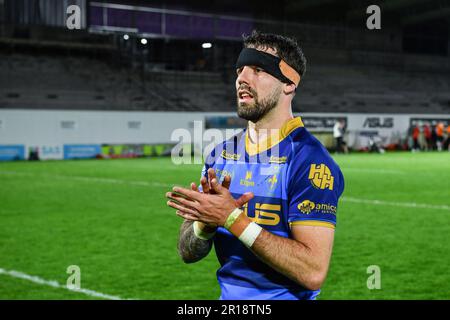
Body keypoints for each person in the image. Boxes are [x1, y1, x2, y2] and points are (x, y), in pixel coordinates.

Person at [166, 30, 344, 300]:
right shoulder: (220, 155)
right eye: (240, 70)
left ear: (289, 84)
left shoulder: (310, 161)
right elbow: (187, 252)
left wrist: (232, 218)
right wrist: (205, 224)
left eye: (258, 70)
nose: (242, 79)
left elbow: (312, 272)